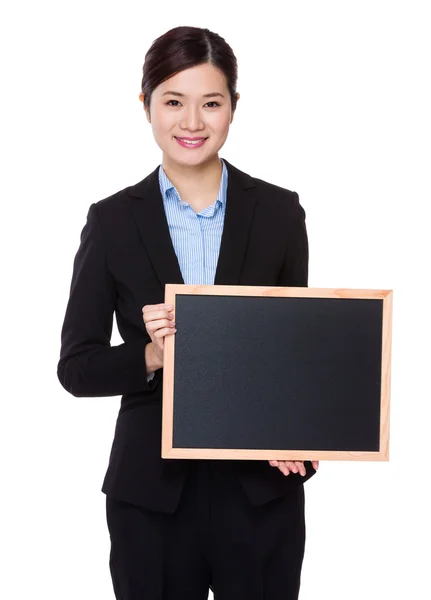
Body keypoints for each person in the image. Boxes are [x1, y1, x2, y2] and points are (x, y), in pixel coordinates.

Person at [58, 25, 319, 600]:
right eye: (173, 101)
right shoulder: (111, 222)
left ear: (234, 108)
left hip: (258, 492)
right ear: (146, 104)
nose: (192, 122)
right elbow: (76, 368)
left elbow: (294, 352)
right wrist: (151, 354)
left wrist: (297, 432)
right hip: (151, 497)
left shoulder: (279, 213)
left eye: (211, 103)